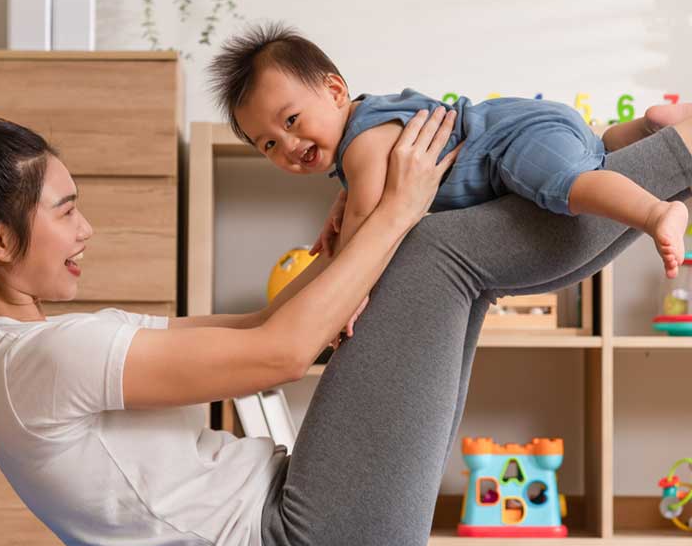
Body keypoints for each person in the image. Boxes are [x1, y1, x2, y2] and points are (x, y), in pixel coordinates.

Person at [0, 110, 692, 546]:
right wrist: (394, 211)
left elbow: (256, 326)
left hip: (305, 540)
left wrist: (347, 240)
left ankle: (650, 161)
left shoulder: (32, 352)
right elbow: (279, 354)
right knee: (432, 249)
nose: (86, 229)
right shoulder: (44, 359)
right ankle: (676, 155)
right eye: (65, 209)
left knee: (430, 251)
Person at [208, 23, 692, 333]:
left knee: (568, 184)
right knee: (599, 150)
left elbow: (366, 230)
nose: (288, 145)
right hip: (530, 125)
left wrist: (348, 297)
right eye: (268, 144)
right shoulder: (364, 134)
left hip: (511, 141)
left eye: (291, 121)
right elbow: (366, 201)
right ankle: (649, 127)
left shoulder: (362, 143)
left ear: (335, 91)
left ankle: (655, 211)